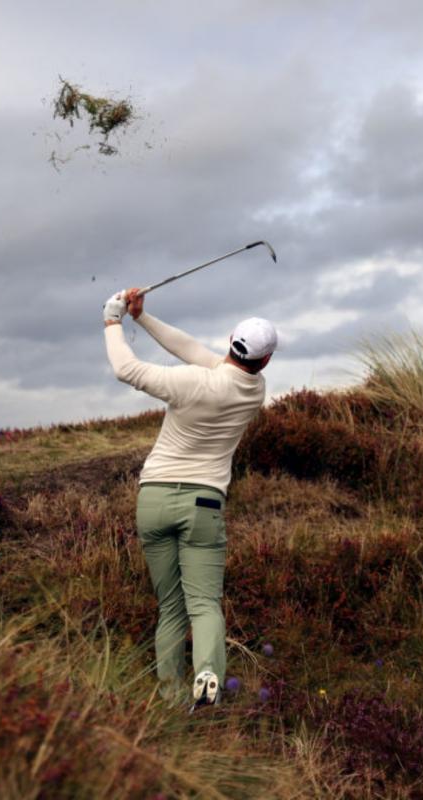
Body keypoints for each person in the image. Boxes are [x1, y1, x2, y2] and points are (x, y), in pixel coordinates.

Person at [102, 287, 276, 709]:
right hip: (204, 504)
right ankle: (208, 677)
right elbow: (193, 349)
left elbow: (127, 369)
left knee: (170, 606)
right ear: (265, 360)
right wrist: (143, 317)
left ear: (231, 340)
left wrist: (113, 321)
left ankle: (171, 697)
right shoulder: (255, 390)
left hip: (155, 499)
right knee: (204, 603)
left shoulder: (191, 382)